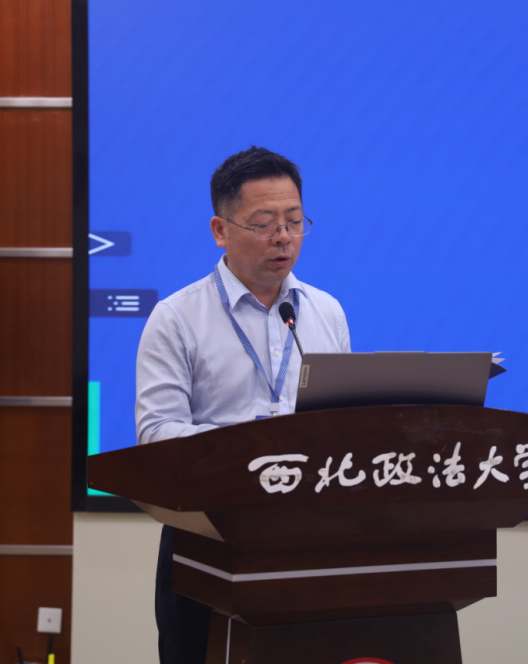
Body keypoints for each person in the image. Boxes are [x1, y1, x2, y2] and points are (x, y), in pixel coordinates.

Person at [134, 147, 351, 664]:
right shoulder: (176, 318)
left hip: (307, 542)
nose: (284, 237)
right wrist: (250, 445)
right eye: (264, 224)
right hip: (206, 543)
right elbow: (156, 434)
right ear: (220, 230)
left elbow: (343, 425)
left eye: (294, 221)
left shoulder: (326, 312)